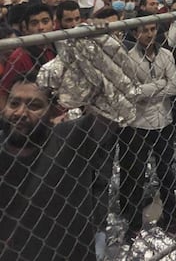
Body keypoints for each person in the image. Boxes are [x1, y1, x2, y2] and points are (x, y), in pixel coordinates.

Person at [0, 71, 116, 260]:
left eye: (34, 106)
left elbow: (115, 109)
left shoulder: (69, 138)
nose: (20, 113)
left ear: (52, 112)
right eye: (14, 103)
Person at [120, 13, 176, 244]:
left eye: (153, 29)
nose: (149, 34)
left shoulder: (166, 55)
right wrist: (159, 86)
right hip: (139, 124)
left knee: (167, 173)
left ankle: (170, 217)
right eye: (144, 30)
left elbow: (174, 87)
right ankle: (134, 224)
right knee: (137, 177)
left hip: (163, 121)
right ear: (135, 33)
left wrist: (146, 90)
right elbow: (130, 92)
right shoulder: (128, 59)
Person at [0, 4, 56, 109]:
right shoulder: (19, 57)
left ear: (53, 24)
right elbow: (3, 94)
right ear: (26, 29)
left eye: (45, 21)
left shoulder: (57, 49)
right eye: (34, 23)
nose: (41, 28)